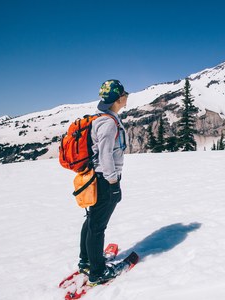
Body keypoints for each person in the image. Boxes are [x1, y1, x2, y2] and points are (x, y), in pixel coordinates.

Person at [78, 79, 128, 285]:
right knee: (97, 226)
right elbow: (106, 156)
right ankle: (97, 272)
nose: (127, 96)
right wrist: (114, 183)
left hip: (98, 178)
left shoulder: (105, 118)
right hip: (104, 180)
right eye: (124, 93)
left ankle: (87, 261)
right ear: (117, 99)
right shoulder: (108, 123)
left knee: (92, 222)